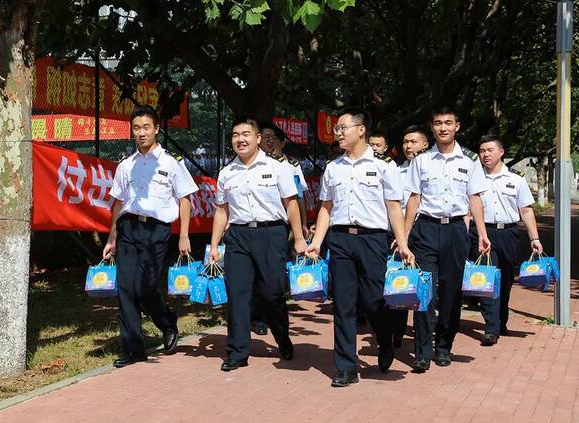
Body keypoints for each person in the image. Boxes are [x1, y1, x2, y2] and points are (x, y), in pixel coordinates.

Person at [306, 107, 414, 387]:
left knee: (372, 300)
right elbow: (326, 208)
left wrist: (402, 244)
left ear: (361, 129)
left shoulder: (383, 166)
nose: (338, 133)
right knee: (342, 304)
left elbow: (393, 208)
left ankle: (385, 339)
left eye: (343, 128)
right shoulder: (333, 168)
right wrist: (317, 243)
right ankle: (346, 367)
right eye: (337, 130)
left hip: (372, 239)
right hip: (340, 240)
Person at [103, 105, 198, 368]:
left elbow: (185, 199)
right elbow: (118, 203)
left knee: (146, 287)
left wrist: (184, 236)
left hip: (157, 230)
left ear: (157, 129)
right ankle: (133, 349)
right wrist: (112, 238)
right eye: (136, 128)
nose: (141, 133)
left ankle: (167, 322)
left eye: (146, 127)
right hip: (129, 229)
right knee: (125, 289)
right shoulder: (126, 165)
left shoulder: (171, 163)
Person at [209, 117, 307, 372]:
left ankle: (282, 338)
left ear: (258, 139)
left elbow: (291, 204)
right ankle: (237, 351)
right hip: (238, 236)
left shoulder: (278, 168)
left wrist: (298, 238)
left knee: (272, 293)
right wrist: (214, 245)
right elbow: (222, 211)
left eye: (245, 134)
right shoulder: (227, 172)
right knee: (238, 294)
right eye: (235, 135)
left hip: (271, 234)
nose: (240, 139)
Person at [404, 106, 491, 373]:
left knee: (452, 293)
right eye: (438, 123)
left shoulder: (469, 161)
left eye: (448, 123)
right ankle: (422, 352)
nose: (443, 128)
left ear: (457, 126)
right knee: (424, 291)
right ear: (432, 128)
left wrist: (482, 234)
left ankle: (443, 346)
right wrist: (404, 237)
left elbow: (474, 199)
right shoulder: (421, 161)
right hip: (426, 230)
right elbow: (414, 199)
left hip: (455, 231)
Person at [470, 135, 543, 344]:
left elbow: (526, 211)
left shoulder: (516, 179)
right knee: (487, 279)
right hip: (482, 233)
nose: (485, 154)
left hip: (508, 233)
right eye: (482, 151)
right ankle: (491, 328)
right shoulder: (474, 179)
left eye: (490, 150)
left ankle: (501, 321)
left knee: (506, 279)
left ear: (501, 152)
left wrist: (534, 238)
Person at [389, 125, 430, 348]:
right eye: (405, 142)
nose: (408, 146)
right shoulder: (396, 171)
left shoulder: (432, 168)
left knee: (422, 282)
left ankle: (423, 332)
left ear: (425, 144)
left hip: (423, 231)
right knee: (399, 281)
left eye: (413, 142)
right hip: (398, 234)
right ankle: (397, 330)